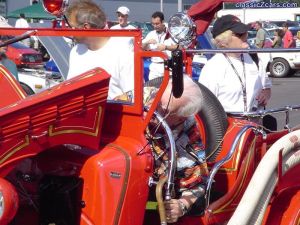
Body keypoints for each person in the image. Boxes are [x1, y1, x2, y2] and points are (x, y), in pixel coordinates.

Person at [145, 75, 208, 223]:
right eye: (156, 99)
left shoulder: (189, 140)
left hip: (149, 193)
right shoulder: (139, 96)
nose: (152, 107)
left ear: (180, 118)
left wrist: (181, 206)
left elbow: (197, 183)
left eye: (163, 109)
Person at [199, 15, 272, 113]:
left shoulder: (254, 58)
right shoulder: (213, 67)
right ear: (223, 41)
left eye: (245, 31)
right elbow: (205, 108)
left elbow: (266, 87)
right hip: (228, 126)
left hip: (256, 123)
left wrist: (265, 94)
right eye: (239, 34)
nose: (245, 35)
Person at [66, 0, 134, 101]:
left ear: (85, 27)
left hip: (112, 114)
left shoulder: (123, 51)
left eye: (72, 27)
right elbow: (68, 89)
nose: (69, 31)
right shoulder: (75, 51)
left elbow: (133, 93)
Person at [142, 11, 179, 80]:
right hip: (154, 68)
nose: (155, 26)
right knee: (153, 89)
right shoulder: (151, 34)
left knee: (168, 90)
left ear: (162, 22)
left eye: (157, 24)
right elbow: (141, 48)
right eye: (153, 24)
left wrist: (166, 47)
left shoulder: (171, 33)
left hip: (168, 66)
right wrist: (147, 42)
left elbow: (178, 46)